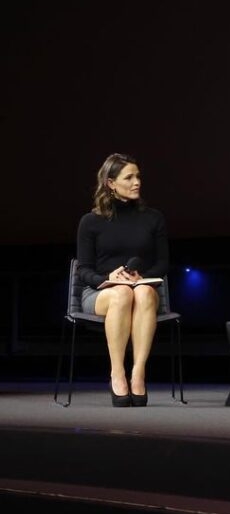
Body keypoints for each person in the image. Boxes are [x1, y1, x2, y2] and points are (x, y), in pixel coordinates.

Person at [76, 153, 169, 407]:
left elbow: (163, 263)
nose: (137, 181)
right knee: (122, 294)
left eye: (138, 176)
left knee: (143, 293)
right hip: (100, 293)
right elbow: (83, 269)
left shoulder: (153, 218)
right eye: (129, 177)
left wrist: (143, 277)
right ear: (111, 183)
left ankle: (138, 372)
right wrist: (108, 278)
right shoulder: (91, 221)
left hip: (139, 288)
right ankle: (117, 373)